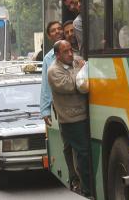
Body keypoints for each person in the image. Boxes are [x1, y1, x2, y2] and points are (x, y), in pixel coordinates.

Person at [39, 21, 80, 192]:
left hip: (81, 106)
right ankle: (74, 177)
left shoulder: (75, 51)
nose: (58, 32)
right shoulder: (49, 59)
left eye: (59, 29)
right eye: (53, 31)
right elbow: (46, 86)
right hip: (63, 109)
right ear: (49, 36)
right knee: (68, 145)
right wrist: (45, 110)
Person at [48, 40, 91, 198]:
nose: (71, 54)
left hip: (85, 115)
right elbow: (76, 85)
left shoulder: (74, 62)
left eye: (71, 50)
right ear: (58, 55)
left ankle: (80, 184)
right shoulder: (54, 71)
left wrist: (81, 68)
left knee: (83, 152)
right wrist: (81, 68)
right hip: (71, 119)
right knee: (82, 153)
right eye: (66, 52)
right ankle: (86, 189)